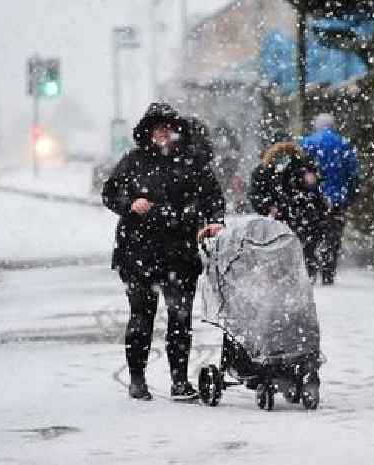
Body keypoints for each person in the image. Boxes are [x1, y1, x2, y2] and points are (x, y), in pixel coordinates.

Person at [102, 102, 225, 401]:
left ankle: (179, 381)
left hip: (180, 250)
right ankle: (137, 379)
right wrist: (130, 204)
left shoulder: (191, 162)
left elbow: (212, 197)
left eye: (168, 127)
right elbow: (110, 193)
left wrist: (214, 222)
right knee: (141, 318)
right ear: (148, 131)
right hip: (138, 251)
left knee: (180, 319)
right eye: (157, 127)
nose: (163, 132)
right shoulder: (133, 162)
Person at [249, 140, 327, 280]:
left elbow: (255, 195)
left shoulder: (264, 169)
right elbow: (316, 193)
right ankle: (307, 275)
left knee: (281, 253)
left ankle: (292, 276)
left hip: (281, 220)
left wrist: (268, 207)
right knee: (305, 250)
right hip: (302, 218)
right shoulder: (304, 167)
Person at [301, 113, 361, 285]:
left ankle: (310, 270)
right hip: (337, 199)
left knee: (310, 234)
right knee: (332, 237)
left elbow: (299, 169)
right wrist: (349, 196)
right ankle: (328, 271)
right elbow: (353, 173)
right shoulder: (343, 144)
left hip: (312, 198)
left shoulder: (307, 143)